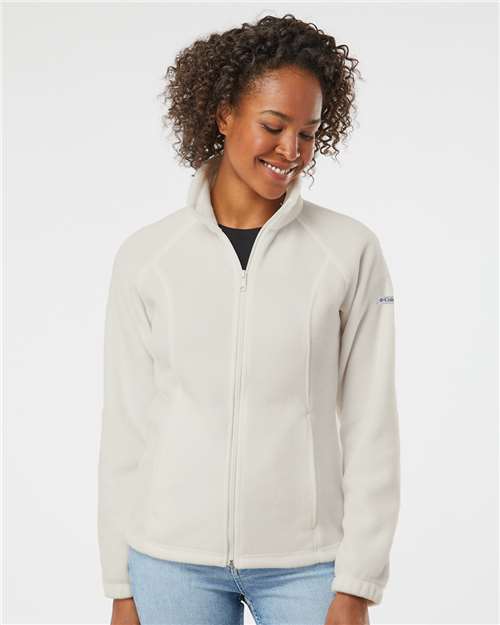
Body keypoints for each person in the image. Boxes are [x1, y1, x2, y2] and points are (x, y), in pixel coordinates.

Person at [97, 13, 400, 625]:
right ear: (223, 115)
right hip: (169, 561)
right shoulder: (148, 257)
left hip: (308, 564)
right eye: (273, 125)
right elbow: (127, 427)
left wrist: (358, 583)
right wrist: (120, 585)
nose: (292, 151)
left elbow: (372, 423)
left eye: (308, 132)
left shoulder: (348, 251)